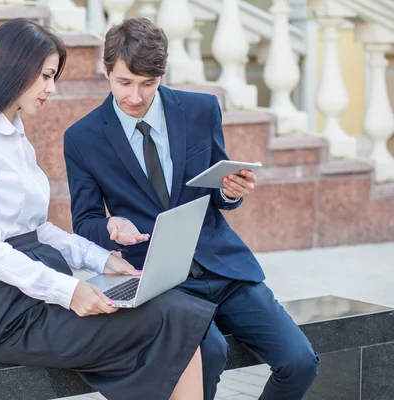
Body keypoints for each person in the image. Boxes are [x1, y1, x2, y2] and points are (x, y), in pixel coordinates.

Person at [0, 18, 217, 400]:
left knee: (175, 310)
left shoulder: (15, 136)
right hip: (11, 314)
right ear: (13, 70)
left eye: (53, 77)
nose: (51, 88)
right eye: (46, 76)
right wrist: (69, 291)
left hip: (44, 291)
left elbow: (40, 230)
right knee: (173, 318)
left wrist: (103, 261)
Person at [63, 17, 320, 400]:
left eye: (148, 84)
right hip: (161, 280)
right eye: (125, 82)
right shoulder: (82, 138)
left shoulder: (201, 109)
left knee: (300, 361)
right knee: (210, 354)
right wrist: (111, 227)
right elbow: (84, 222)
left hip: (225, 267)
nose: (136, 96)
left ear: (161, 75)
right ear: (107, 71)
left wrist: (231, 191)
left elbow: (218, 189)